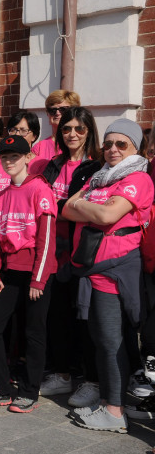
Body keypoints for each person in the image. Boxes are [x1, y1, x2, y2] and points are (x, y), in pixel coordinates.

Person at [63, 119, 153, 433]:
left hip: (114, 271)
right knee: (104, 341)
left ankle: (113, 411)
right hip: (93, 270)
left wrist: (88, 207)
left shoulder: (138, 179)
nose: (112, 150)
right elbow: (66, 209)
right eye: (108, 144)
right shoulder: (100, 178)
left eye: (121, 144)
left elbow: (107, 214)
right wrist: (93, 207)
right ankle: (112, 402)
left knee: (111, 342)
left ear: (136, 148)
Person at [0, 135, 57, 413]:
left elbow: (46, 240)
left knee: (33, 333)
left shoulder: (40, 190)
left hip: (35, 273)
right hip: (9, 272)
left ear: (27, 158)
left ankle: (30, 391)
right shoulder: (4, 194)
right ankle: (2, 387)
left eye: (15, 157)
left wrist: (38, 279)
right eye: (4, 157)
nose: (9, 162)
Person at [34, 107, 102, 407]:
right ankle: (62, 375)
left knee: (87, 320)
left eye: (78, 128)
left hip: (85, 253)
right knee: (57, 316)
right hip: (54, 252)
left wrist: (61, 206)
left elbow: (78, 208)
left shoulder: (97, 167)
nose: (72, 134)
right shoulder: (53, 164)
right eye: (66, 129)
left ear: (89, 131)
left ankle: (92, 381)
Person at [32, 89, 81, 161]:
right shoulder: (39, 147)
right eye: (52, 110)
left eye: (63, 109)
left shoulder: (80, 144)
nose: (57, 113)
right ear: (47, 114)